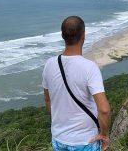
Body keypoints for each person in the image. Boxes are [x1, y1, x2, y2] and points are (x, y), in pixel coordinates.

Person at [42, 16, 111, 151]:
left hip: (59, 139)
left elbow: (47, 100)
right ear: (83, 35)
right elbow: (104, 109)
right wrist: (104, 136)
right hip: (85, 141)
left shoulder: (49, 65)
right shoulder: (90, 68)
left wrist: (63, 123)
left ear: (62, 35)